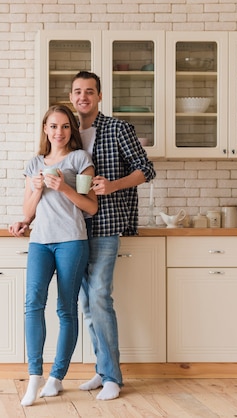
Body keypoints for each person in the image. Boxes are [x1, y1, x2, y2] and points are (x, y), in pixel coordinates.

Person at [70, 70, 156, 401]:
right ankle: (102, 369)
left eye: (89, 91)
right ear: (72, 96)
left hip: (105, 225)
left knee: (100, 297)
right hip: (74, 229)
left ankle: (113, 378)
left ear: (99, 96)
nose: (83, 97)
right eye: (77, 91)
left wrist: (112, 184)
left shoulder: (118, 128)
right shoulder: (70, 132)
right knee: (87, 303)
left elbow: (146, 170)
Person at [8, 104, 98, 407]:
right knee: (32, 303)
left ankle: (56, 377)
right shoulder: (34, 164)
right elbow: (28, 212)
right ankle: (35, 375)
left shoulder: (80, 159)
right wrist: (35, 190)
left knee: (65, 309)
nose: (59, 132)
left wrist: (63, 187)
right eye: (53, 126)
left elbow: (91, 207)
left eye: (65, 126)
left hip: (72, 241)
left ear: (72, 130)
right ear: (45, 130)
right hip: (40, 242)